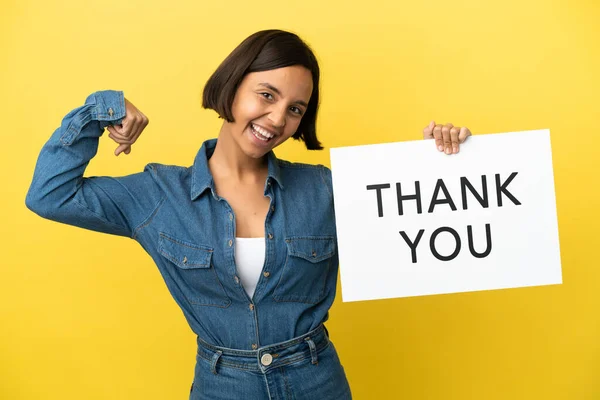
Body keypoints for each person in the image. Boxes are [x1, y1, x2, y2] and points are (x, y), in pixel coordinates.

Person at [25, 29, 471, 400]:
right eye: (266, 94)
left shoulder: (325, 189)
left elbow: (423, 224)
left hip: (317, 381)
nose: (277, 118)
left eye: (295, 109)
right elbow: (49, 194)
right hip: (222, 385)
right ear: (233, 85)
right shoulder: (159, 195)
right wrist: (101, 110)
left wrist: (444, 160)